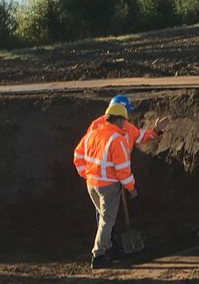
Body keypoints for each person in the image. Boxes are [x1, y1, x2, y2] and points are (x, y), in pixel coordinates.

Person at [73, 97, 169, 269]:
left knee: (103, 217)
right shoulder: (114, 137)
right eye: (125, 117)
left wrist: (156, 131)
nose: (127, 120)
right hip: (108, 185)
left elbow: (78, 155)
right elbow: (123, 169)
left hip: (93, 184)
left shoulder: (96, 132)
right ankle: (99, 254)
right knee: (106, 220)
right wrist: (131, 188)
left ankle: (108, 246)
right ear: (118, 117)